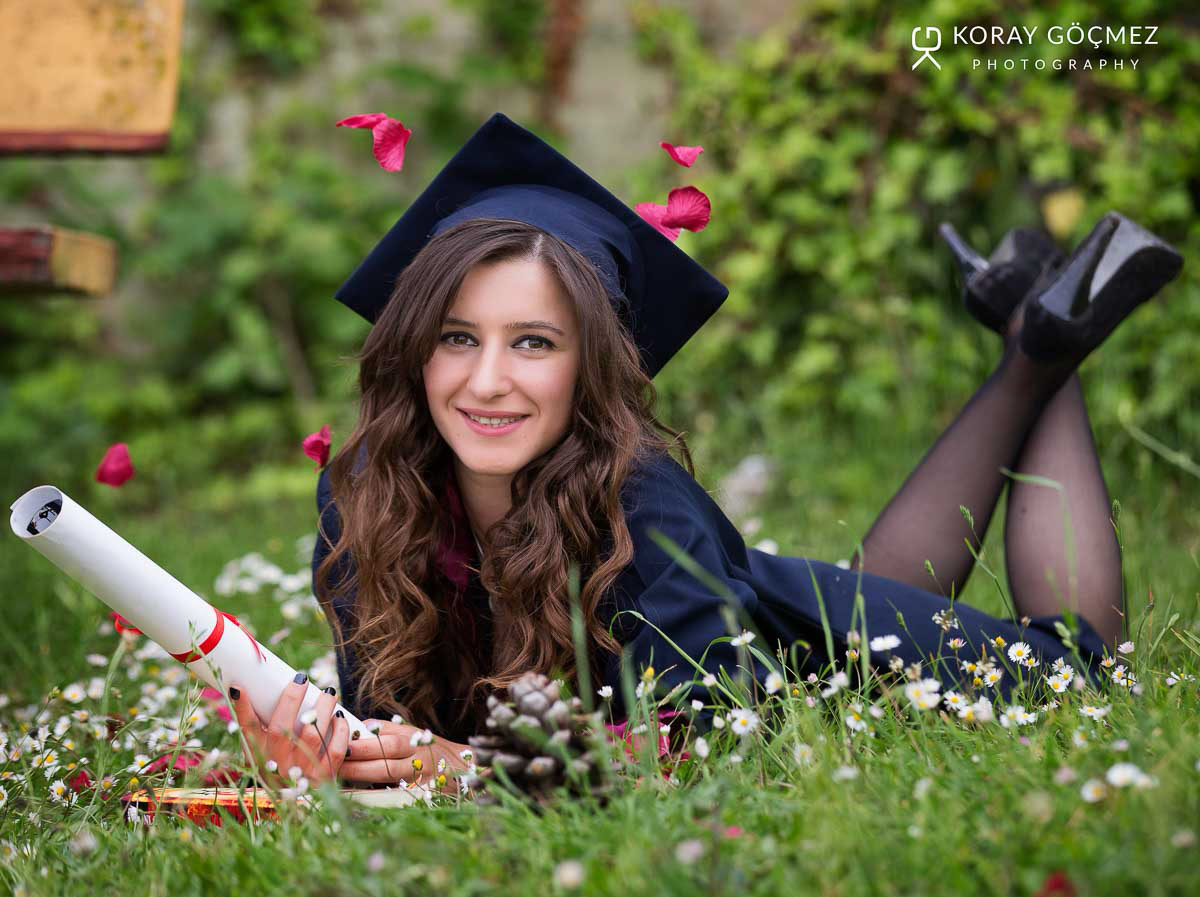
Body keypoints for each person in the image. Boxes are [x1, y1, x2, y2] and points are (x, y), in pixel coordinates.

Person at [228, 112, 1183, 792]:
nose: (486, 382)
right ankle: (1037, 331)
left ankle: (1045, 349)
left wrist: (476, 771)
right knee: (854, 611)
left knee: (1078, 665)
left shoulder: (642, 504)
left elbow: (716, 742)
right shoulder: (367, 492)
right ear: (413, 347)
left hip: (782, 677)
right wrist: (334, 751)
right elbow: (389, 721)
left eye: (534, 342)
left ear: (592, 366)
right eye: (456, 336)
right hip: (784, 618)